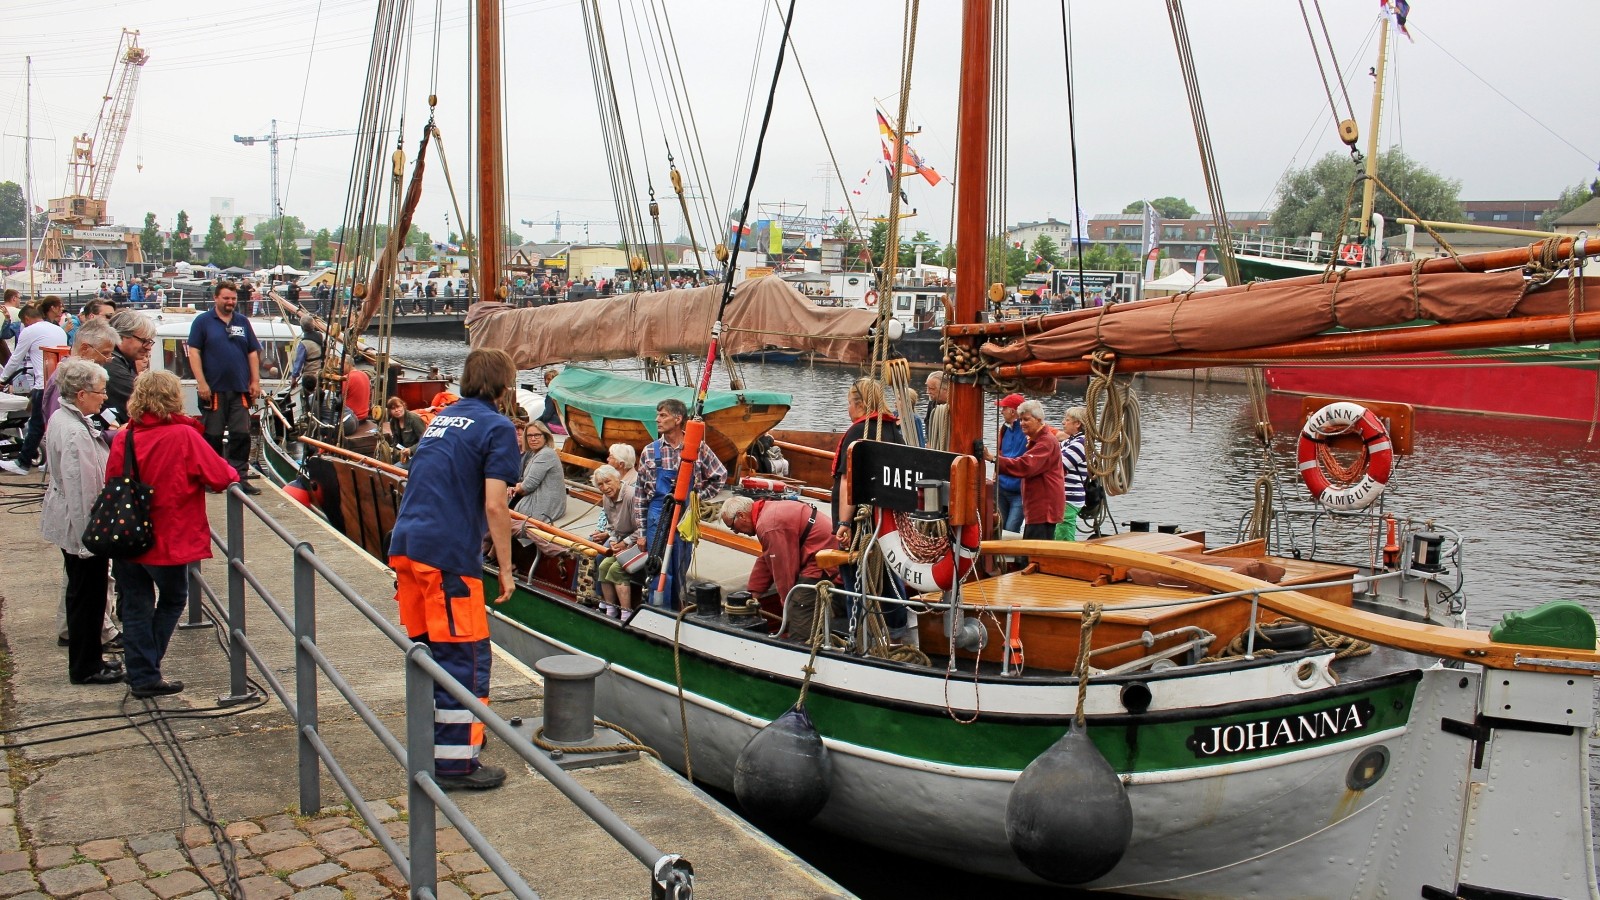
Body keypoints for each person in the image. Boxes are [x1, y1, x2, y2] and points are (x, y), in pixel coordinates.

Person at [388, 348, 521, 791]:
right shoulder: (497, 427)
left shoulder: (442, 419)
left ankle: (435, 741)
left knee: (428, 651)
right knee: (465, 657)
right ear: (504, 386)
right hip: (446, 556)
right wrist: (506, 569)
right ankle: (455, 763)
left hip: (408, 545)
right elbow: (496, 505)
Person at [108, 370, 240, 697]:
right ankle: (146, 668)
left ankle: (142, 671)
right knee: (173, 597)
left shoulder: (126, 436)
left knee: (136, 605)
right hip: (168, 533)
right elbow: (221, 476)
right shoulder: (183, 435)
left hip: (128, 533)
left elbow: (112, 480)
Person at [41, 358, 122, 686]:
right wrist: (91, 539)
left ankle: (90, 659)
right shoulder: (74, 432)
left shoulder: (62, 418)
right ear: (81, 394)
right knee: (88, 597)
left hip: (70, 520)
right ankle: (87, 666)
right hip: (82, 526)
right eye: (100, 392)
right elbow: (83, 490)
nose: (105, 397)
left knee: (82, 594)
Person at [632, 398, 727, 609]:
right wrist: (641, 533)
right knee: (658, 568)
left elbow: (719, 475)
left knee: (679, 568)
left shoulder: (697, 448)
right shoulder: (650, 451)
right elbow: (640, 495)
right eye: (657, 415)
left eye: (662, 415)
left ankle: (675, 612)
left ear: (678, 419)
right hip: (657, 517)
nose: (657, 419)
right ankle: (657, 610)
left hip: (684, 518)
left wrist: (697, 497)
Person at [721, 495, 835, 637]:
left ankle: (802, 643)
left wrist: (788, 608)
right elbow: (767, 557)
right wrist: (753, 593)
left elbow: (784, 572)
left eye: (732, 526)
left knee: (800, 608)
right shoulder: (767, 512)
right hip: (822, 551)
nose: (735, 532)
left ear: (741, 515)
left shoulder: (769, 526)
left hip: (823, 559)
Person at [187, 281, 261, 493]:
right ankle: (213, 478)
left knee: (241, 435)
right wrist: (201, 382)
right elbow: (194, 352)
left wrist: (255, 381)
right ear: (216, 298)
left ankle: (239, 478)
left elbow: (252, 352)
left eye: (233, 299)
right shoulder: (202, 322)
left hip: (239, 389)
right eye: (226, 298)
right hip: (213, 390)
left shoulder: (242, 322)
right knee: (212, 435)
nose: (230, 302)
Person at [1, 296, 70, 476]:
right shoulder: (58, 330)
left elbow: (16, 358)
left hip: (43, 384)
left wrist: (3, 378)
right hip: (59, 383)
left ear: (26, 319)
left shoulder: (30, 331)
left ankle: (23, 463)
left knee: (36, 425)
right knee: (52, 425)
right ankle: (52, 462)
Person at [987, 399, 1063, 541]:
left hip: (1043, 508)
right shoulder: (1035, 440)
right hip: (1034, 506)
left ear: (1039, 420)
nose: (1022, 423)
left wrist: (993, 459)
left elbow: (1025, 466)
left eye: (1026, 419)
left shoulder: (1045, 442)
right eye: (1021, 419)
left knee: (1035, 548)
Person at [40, 320, 116, 425]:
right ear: (84, 349)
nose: (108, 359)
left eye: (110, 354)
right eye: (105, 353)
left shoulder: (83, 377)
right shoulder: (66, 380)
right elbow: (62, 427)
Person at [590, 465, 638, 619]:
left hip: (639, 543)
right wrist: (612, 540)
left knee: (617, 569)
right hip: (622, 541)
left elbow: (643, 529)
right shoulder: (606, 497)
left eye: (608, 482)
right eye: (600, 484)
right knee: (603, 566)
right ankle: (610, 610)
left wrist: (625, 542)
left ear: (617, 479)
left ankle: (626, 613)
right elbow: (611, 525)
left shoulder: (631, 496)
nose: (605, 487)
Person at [511, 419, 566, 528]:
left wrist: (518, 487)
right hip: (543, 503)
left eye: (537, 435)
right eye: (529, 436)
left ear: (545, 437)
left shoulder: (546, 454)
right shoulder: (536, 453)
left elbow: (528, 486)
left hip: (543, 509)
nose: (533, 439)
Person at [104, 310, 155, 427]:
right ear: (121, 337)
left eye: (150, 342)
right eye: (144, 341)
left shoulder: (121, 361)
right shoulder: (112, 366)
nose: (148, 347)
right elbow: (151, 402)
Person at [994, 393, 1028, 535]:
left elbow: (1051, 434)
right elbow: (1001, 453)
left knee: (1010, 530)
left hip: (1019, 492)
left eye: (1004, 408)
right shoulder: (1005, 429)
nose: (1001, 411)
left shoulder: (1028, 431)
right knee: (999, 527)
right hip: (1002, 488)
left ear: (1013, 411)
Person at [1057, 406, 1090, 541]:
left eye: (1067, 420)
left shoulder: (1082, 443)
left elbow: (1058, 464)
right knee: (1058, 532)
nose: (1063, 422)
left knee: (1063, 535)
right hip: (1062, 496)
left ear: (1077, 424)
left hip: (1070, 497)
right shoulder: (1069, 442)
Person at [287, 317, 326, 418]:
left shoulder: (303, 344)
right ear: (313, 326)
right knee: (321, 397)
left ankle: (310, 417)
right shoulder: (320, 337)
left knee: (306, 398)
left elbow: (298, 363)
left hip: (309, 376)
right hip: (321, 374)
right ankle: (322, 416)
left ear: (302, 327)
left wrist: (294, 378)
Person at [381, 396, 426, 463]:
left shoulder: (414, 419)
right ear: (390, 411)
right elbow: (396, 442)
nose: (397, 410)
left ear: (403, 406)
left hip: (417, 455)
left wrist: (411, 450)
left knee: (396, 467)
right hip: (403, 454)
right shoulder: (393, 422)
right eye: (393, 408)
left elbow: (425, 440)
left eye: (398, 407)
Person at [924, 371, 950, 452]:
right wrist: (929, 440)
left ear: (946, 390)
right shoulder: (932, 404)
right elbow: (927, 423)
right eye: (927, 388)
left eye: (932, 389)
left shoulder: (956, 406)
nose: (927, 392)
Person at [537, 369, 567, 434]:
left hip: (555, 426)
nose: (546, 381)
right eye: (545, 379)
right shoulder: (563, 393)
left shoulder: (551, 395)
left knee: (535, 427)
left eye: (549, 379)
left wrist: (535, 422)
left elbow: (546, 416)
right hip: (566, 427)